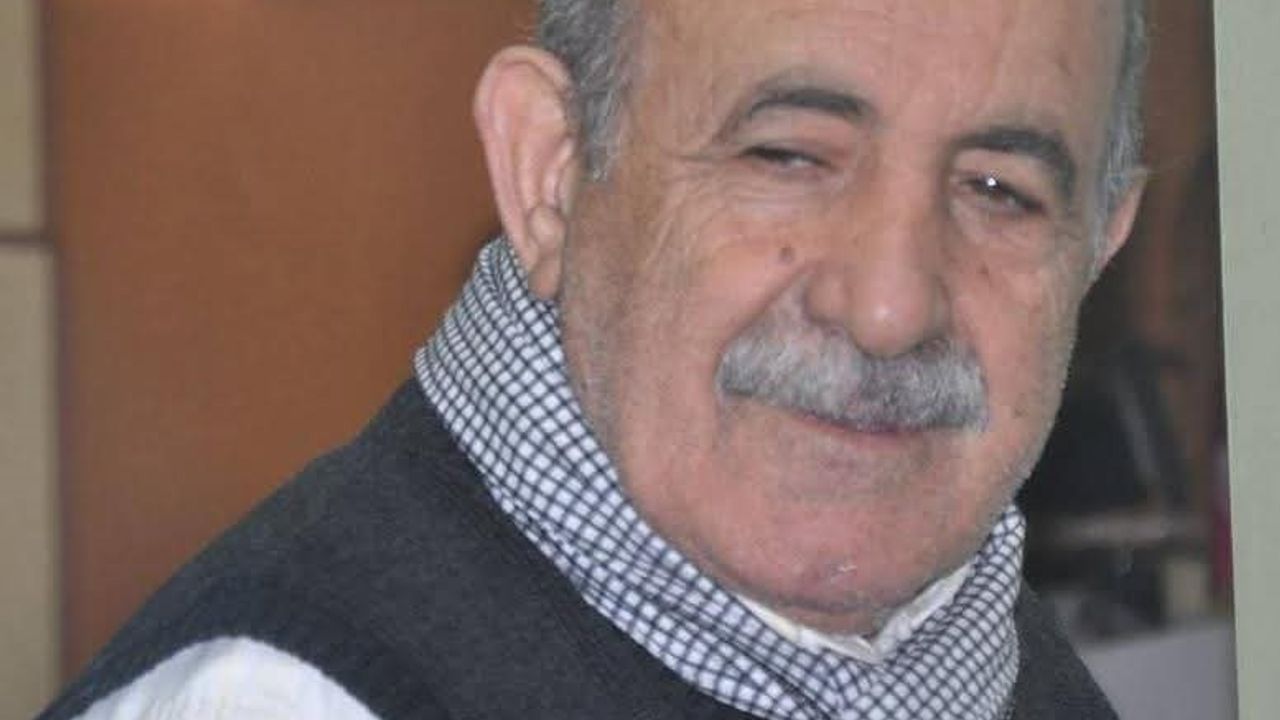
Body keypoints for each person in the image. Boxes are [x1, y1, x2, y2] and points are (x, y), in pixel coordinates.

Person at [39, 1, 1148, 718]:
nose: (891, 307)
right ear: (550, 173)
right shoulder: (293, 698)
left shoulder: (991, 667)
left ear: (1099, 245)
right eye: (787, 155)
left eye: (1000, 191)